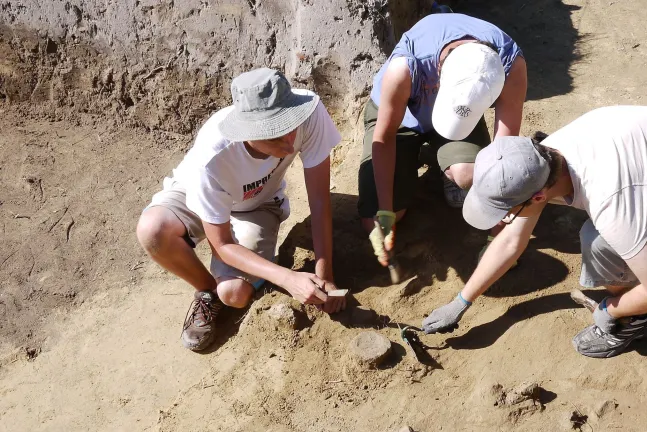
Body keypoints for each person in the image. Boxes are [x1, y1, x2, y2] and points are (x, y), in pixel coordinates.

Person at [421, 106, 647, 359]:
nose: (505, 217)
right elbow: (513, 240)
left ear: (537, 194)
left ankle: (637, 322)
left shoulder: (610, 200)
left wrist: (614, 309)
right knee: (629, 252)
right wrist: (462, 300)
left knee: (601, 244)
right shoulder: (540, 159)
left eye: (506, 209)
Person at [136, 68, 346, 352]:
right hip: (195, 196)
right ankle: (206, 290)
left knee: (233, 294)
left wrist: (326, 276)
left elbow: (320, 200)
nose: (288, 143)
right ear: (245, 132)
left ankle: (222, 289)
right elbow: (222, 244)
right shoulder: (212, 156)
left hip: (256, 203)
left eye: (289, 127)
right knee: (153, 231)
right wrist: (287, 278)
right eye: (274, 136)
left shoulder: (309, 111)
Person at [359, 12, 528, 266]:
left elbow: (502, 150)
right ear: (439, 72)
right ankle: (423, 156)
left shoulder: (509, 63)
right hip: (400, 120)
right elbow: (384, 138)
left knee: (468, 175)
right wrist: (384, 211)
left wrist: (498, 236)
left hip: (458, 117)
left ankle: (446, 166)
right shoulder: (406, 66)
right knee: (379, 218)